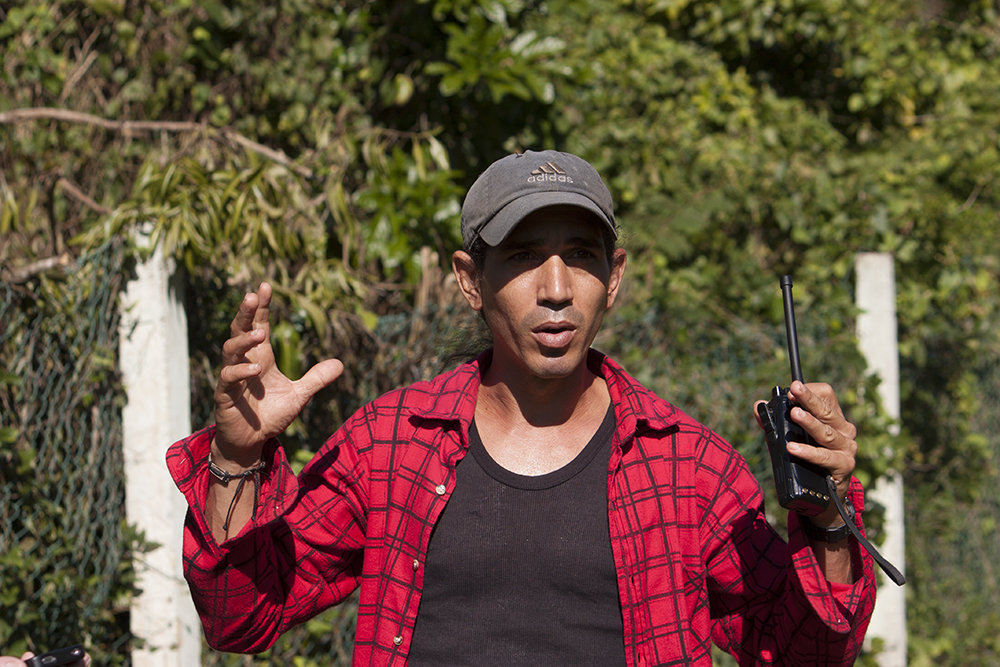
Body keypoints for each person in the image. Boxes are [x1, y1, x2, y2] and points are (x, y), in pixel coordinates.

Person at [167, 149, 876, 665]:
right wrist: (236, 457)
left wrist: (828, 518)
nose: (558, 287)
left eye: (582, 256)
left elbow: (805, 655)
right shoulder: (391, 444)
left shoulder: (686, 464)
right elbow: (240, 617)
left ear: (615, 276)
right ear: (471, 280)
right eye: (525, 257)